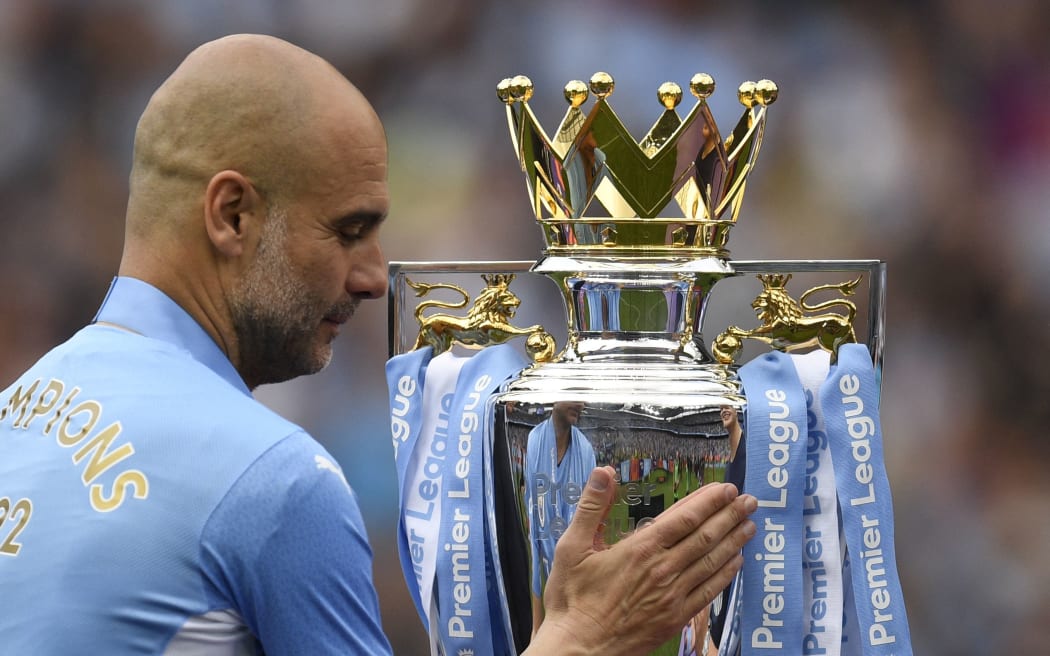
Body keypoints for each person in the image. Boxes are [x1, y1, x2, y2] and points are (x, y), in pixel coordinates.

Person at [0, 34, 757, 655]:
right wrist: (586, 641)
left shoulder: (13, 418)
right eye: (350, 231)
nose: (372, 278)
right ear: (231, 216)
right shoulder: (272, 483)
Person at [523, 400, 596, 636]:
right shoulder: (534, 440)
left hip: (574, 566)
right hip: (542, 553)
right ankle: (536, 627)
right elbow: (532, 522)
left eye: (583, 397)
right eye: (573, 394)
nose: (580, 403)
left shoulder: (585, 450)